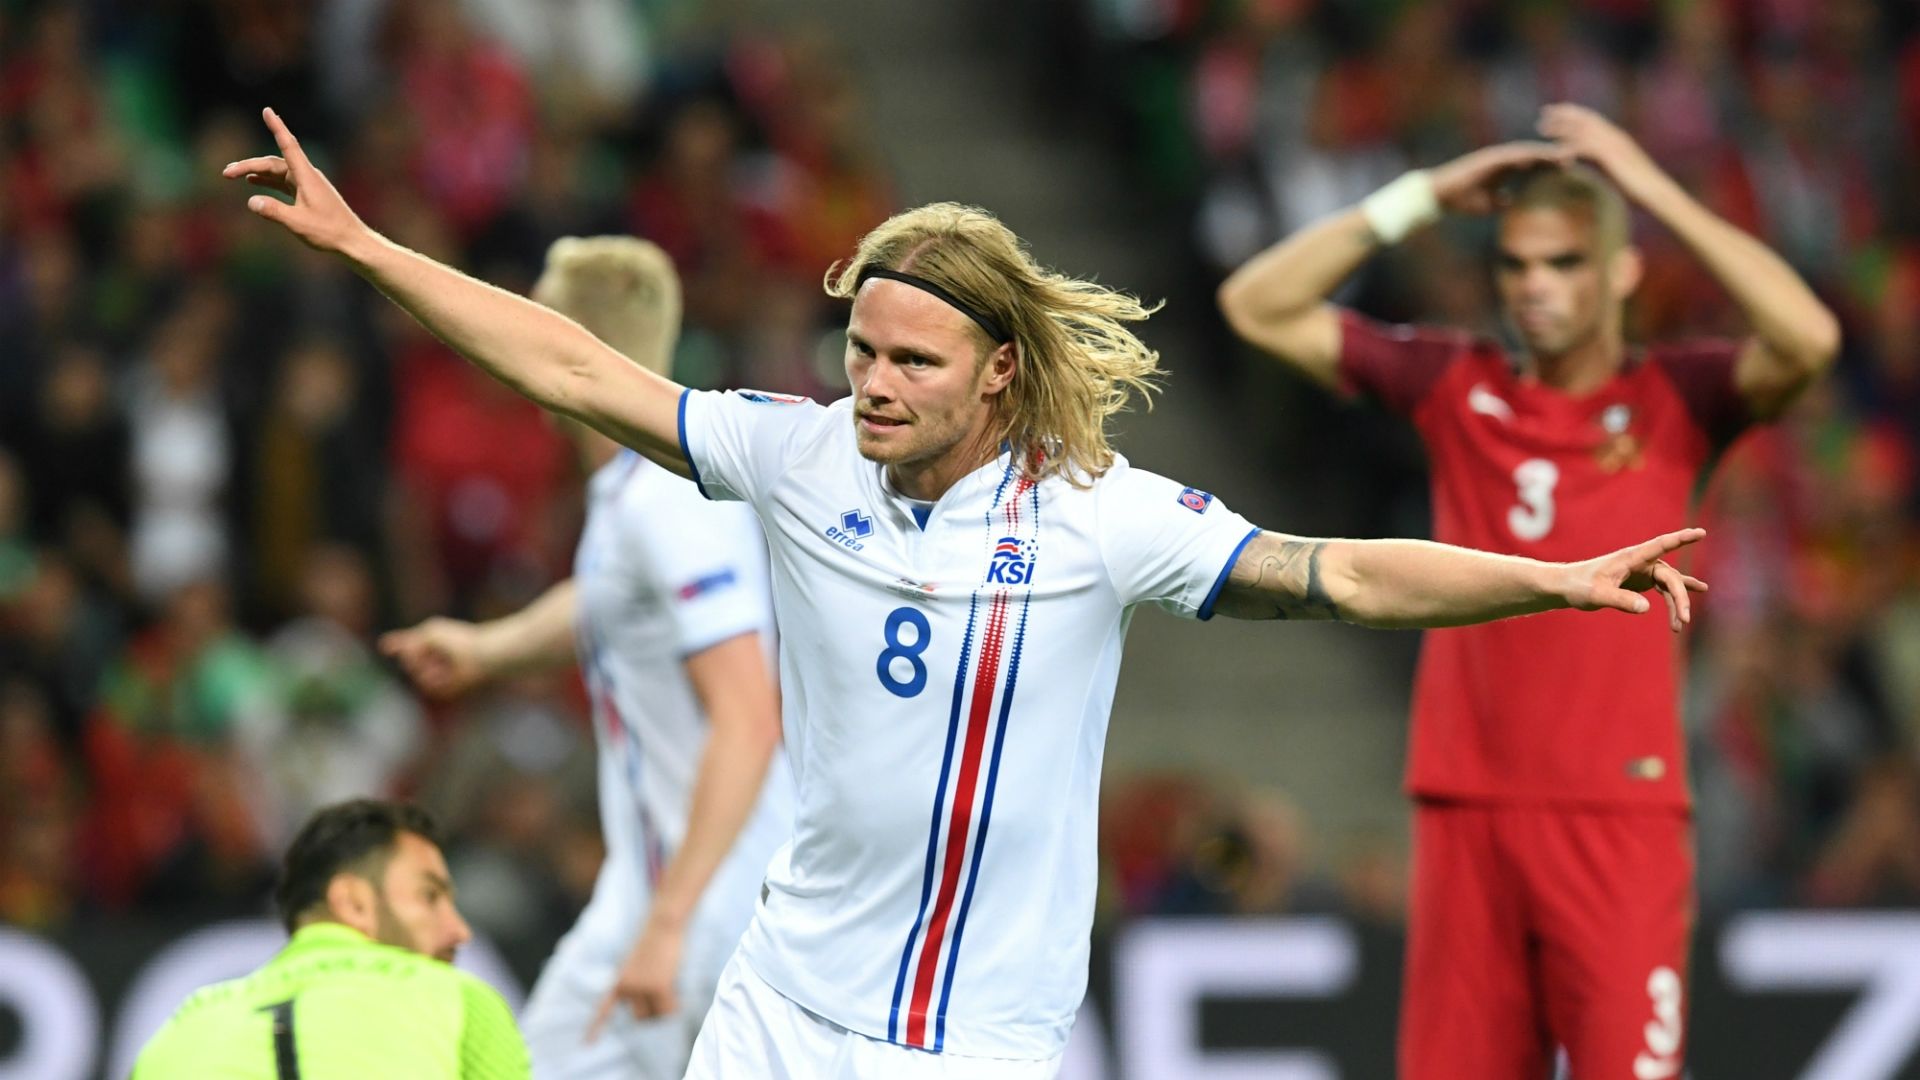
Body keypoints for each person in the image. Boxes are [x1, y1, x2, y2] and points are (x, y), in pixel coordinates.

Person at [226, 106, 1709, 1080]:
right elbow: (573, 365)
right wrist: (366, 247)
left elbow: (1345, 576)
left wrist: (1551, 579)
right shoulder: (794, 457)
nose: (870, 384)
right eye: (860, 351)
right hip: (781, 1007)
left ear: (999, 369)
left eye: (910, 362)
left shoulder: (1099, 517)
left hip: (982, 1043)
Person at [1217, 103, 1839, 1079]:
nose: (1534, 288)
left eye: (1563, 262)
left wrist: (1647, 186)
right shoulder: (1454, 383)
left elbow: (1807, 338)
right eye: (1514, 265)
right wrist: (1416, 199)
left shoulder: (1681, 397)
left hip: (1618, 817)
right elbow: (1258, 304)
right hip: (1468, 805)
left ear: (1620, 271)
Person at [379, 235, 791, 1079]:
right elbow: (607, 596)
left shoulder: (673, 503)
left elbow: (748, 720)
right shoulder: (633, 490)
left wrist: (672, 922)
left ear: (564, 343)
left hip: (718, 903)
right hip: (653, 891)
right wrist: (488, 650)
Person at [131, 799, 529, 1079]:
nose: (458, 929)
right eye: (430, 896)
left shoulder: (186, 1023)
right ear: (354, 903)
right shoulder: (453, 998)